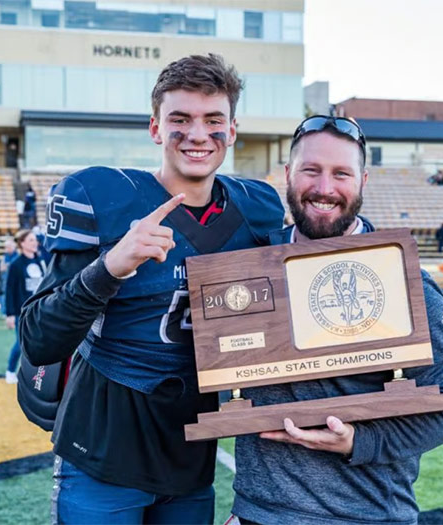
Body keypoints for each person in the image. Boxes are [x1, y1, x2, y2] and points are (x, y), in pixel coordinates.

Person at [18, 54, 284, 523]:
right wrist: (111, 267)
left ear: (232, 130)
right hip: (103, 447)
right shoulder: (103, 197)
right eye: (180, 119)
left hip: (190, 451)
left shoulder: (257, 209)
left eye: (213, 120)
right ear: (156, 128)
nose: (198, 134)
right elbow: (39, 338)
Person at [230, 115, 443, 525]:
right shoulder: (251, 269)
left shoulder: (403, 277)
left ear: (363, 181)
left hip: (369, 516)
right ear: (288, 175)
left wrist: (359, 440)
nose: (325, 188)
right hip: (260, 515)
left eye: (341, 173)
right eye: (311, 170)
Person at [4, 230, 46, 384]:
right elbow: (9, 290)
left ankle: (34, 374)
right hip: (23, 311)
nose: (35, 243)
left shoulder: (40, 261)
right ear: (22, 243)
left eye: (35, 240)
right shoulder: (16, 264)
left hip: (41, 309)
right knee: (21, 344)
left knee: (40, 343)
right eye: (31, 240)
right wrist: (9, 314)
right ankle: (10, 370)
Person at [0, 238, 18, 316]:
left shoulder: (17, 255)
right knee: (5, 295)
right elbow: (2, 268)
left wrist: (7, 266)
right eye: (6, 247)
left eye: (9, 246)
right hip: (6, 279)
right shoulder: (6, 256)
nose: (7, 248)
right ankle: (5, 311)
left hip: (16, 280)